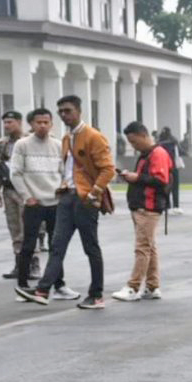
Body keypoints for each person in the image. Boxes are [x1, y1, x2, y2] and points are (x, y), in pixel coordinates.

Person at [16, 95, 115, 309]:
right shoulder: (67, 138)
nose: (63, 115)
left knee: (91, 247)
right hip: (67, 196)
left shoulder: (93, 136)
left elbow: (108, 169)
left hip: (84, 199)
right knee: (56, 246)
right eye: (60, 111)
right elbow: (69, 169)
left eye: (68, 110)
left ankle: (96, 295)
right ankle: (43, 290)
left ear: (79, 111)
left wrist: (94, 192)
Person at [11, 108, 70, 300]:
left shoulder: (59, 144)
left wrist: (63, 190)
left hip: (55, 203)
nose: (42, 125)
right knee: (28, 245)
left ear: (52, 124)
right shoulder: (22, 145)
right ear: (31, 124)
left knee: (56, 245)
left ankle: (59, 285)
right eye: (39, 122)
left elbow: (64, 173)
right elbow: (16, 173)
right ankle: (22, 286)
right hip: (34, 203)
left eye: (46, 122)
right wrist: (27, 196)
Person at [111, 121, 171, 302]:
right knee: (149, 247)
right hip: (143, 206)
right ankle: (152, 286)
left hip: (149, 207)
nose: (133, 146)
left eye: (134, 142)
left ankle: (133, 286)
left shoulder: (157, 153)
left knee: (143, 248)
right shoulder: (148, 154)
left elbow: (161, 180)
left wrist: (136, 177)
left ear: (144, 135)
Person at [0, 110, 28, 279]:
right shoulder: (3, 143)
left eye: (10, 122)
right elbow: (0, 167)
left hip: (25, 190)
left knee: (28, 228)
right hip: (9, 190)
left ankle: (32, 265)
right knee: (14, 228)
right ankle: (19, 265)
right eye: (5, 123)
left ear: (19, 122)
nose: (7, 126)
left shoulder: (29, 140)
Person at [157, 126, 182, 214]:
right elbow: (180, 151)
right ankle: (176, 205)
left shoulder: (160, 143)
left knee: (165, 186)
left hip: (164, 167)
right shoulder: (174, 141)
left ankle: (166, 205)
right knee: (175, 186)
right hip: (174, 166)